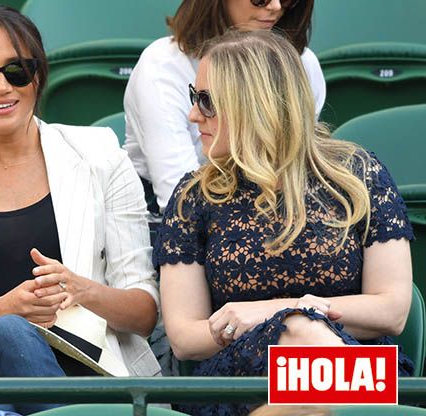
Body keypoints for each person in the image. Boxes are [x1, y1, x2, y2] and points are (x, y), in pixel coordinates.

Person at [0, 6, 160, 416]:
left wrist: (80, 289)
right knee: (10, 333)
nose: (1, 87)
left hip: (86, 367)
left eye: (17, 71)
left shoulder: (100, 156)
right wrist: (5, 310)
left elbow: (143, 313)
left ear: (38, 76)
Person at [157, 29, 414, 416]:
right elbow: (184, 338)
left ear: (253, 104)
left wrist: (280, 311)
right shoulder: (195, 196)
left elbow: (392, 311)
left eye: (206, 101)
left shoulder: (358, 176)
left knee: (304, 340)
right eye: (194, 98)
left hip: (351, 367)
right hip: (244, 381)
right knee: (301, 338)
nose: (194, 114)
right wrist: (290, 327)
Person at [123, 0, 325, 216]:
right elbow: (180, 201)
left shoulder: (301, 62)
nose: (275, 6)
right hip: (181, 218)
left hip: (276, 207)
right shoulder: (162, 65)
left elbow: (298, 165)